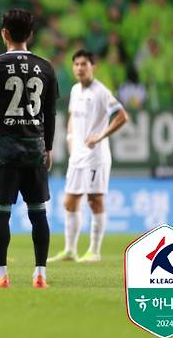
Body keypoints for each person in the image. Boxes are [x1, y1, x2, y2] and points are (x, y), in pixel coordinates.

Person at [0, 9, 58, 289]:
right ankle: (40, 274)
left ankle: (1, 276)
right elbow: (51, 113)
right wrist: (49, 148)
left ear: (4, 33)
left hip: (5, 150)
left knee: (0, 213)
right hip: (34, 148)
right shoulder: (45, 67)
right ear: (30, 34)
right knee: (38, 213)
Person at [49, 49, 128, 263]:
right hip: (77, 155)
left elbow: (122, 116)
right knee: (69, 202)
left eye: (84, 64)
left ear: (94, 66)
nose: (79, 68)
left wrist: (101, 136)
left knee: (94, 201)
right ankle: (70, 250)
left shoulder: (101, 92)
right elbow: (73, 116)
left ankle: (94, 251)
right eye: (76, 64)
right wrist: (70, 136)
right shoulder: (75, 90)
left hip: (96, 157)